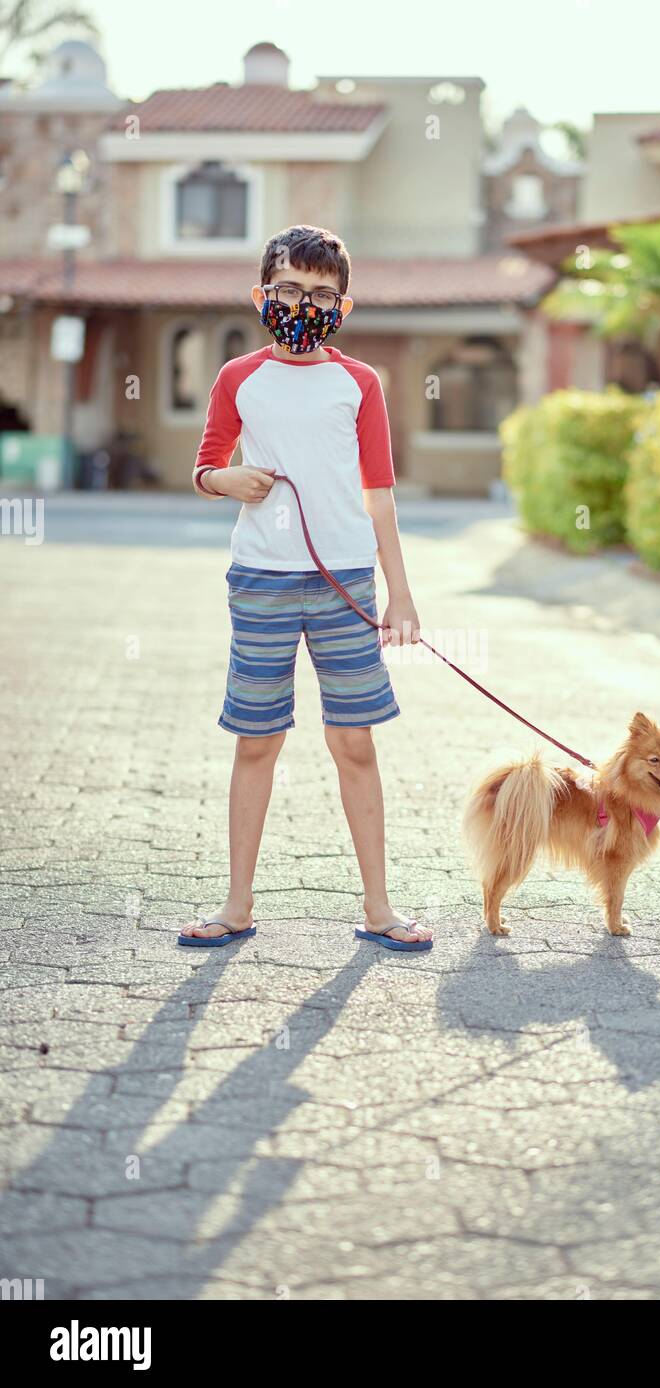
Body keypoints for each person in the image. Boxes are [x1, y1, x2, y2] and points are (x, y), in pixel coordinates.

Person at [178, 224, 432, 952]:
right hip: (259, 580)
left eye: (321, 294)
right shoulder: (237, 377)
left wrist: (400, 595)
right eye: (289, 289)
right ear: (263, 295)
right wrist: (225, 479)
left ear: (342, 307)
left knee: (354, 743)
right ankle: (236, 906)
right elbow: (204, 466)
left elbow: (378, 493)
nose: (303, 304)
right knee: (256, 743)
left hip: (343, 582)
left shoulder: (359, 384)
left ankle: (379, 908)